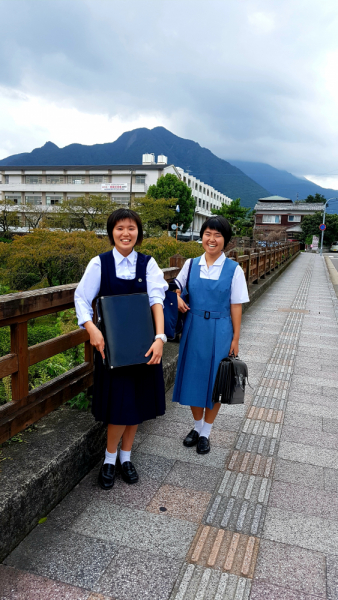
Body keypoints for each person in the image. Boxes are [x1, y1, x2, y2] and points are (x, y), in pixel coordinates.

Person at [75, 208, 168, 490]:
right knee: (119, 406)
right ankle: (109, 459)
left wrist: (160, 337)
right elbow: (81, 297)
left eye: (131, 228)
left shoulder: (148, 264)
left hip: (143, 345)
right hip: (111, 348)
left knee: (136, 404)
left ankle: (125, 458)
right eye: (119, 228)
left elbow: (157, 301)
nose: (126, 233)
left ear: (138, 232)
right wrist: (91, 328)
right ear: (111, 233)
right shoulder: (99, 264)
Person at [172, 216, 249, 454]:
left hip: (221, 329)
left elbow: (236, 305)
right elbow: (176, 286)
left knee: (217, 381)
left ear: (225, 240)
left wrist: (235, 338)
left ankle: (206, 432)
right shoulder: (191, 264)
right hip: (194, 328)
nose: (212, 239)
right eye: (207, 233)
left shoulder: (234, 270)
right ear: (202, 236)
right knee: (195, 379)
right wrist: (175, 295)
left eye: (217, 235)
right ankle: (196, 427)